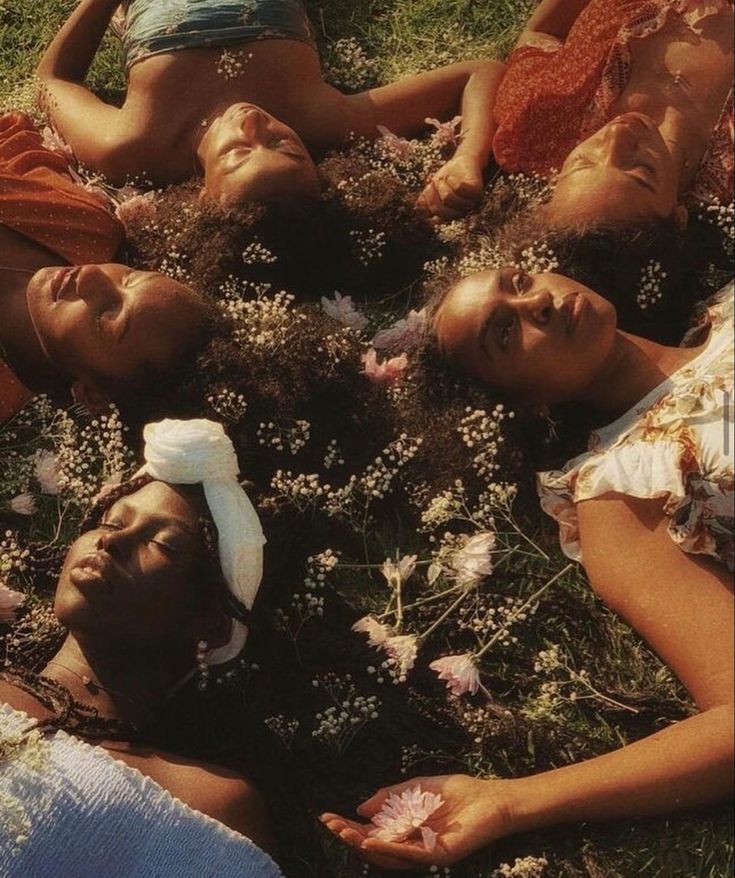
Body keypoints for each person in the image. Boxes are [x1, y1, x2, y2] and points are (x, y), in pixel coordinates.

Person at [320, 269, 734, 868]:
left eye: (519, 281)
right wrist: (510, 802)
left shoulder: (720, 305)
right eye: (505, 334)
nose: (537, 301)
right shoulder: (623, 491)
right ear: (521, 402)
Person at [0, 418, 282, 877]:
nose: (112, 539)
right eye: (111, 520)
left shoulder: (205, 808)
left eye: (163, 543)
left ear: (209, 623)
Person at [37, 0, 505, 218]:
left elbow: (52, 81)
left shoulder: (134, 146)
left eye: (237, 154)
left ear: (204, 193)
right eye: (283, 145)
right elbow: (479, 72)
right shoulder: (325, 119)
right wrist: (467, 157)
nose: (254, 123)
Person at [0, 111, 219, 426]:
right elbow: (14, 137)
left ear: (93, 394)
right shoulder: (86, 229)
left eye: (105, 318)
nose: (91, 276)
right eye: (128, 279)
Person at [477, 0, 734, 230]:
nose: (617, 133)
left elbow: (543, 31)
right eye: (640, 171)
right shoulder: (727, 180)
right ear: (678, 217)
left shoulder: (541, 121)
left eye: (583, 162)